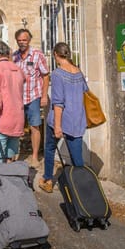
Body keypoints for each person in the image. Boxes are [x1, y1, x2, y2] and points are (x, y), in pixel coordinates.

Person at [39, 42, 87, 193]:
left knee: (49, 148)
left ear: (55, 55)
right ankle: (82, 188)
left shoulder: (58, 74)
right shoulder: (79, 72)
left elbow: (58, 103)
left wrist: (58, 126)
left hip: (60, 121)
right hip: (77, 120)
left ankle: (47, 180)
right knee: (77, 159)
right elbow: (85, 91)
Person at [13, 29, 50, 168]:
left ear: (29, 40)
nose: (22, 42)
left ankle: (34, 156)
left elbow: (45, 75)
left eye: (25, 40)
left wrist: (44, 95)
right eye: (20, 40)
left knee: (35, 126)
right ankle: (14, 154)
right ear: (17, 40)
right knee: (16, 126)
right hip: (17, 98)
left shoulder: (37, 55)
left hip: (33, 96)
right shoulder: (14, 56)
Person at [0, 40, 25, 163]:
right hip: (17, 119)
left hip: (1, 121)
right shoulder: (18, 70)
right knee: (10, 159)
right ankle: (10, 183)